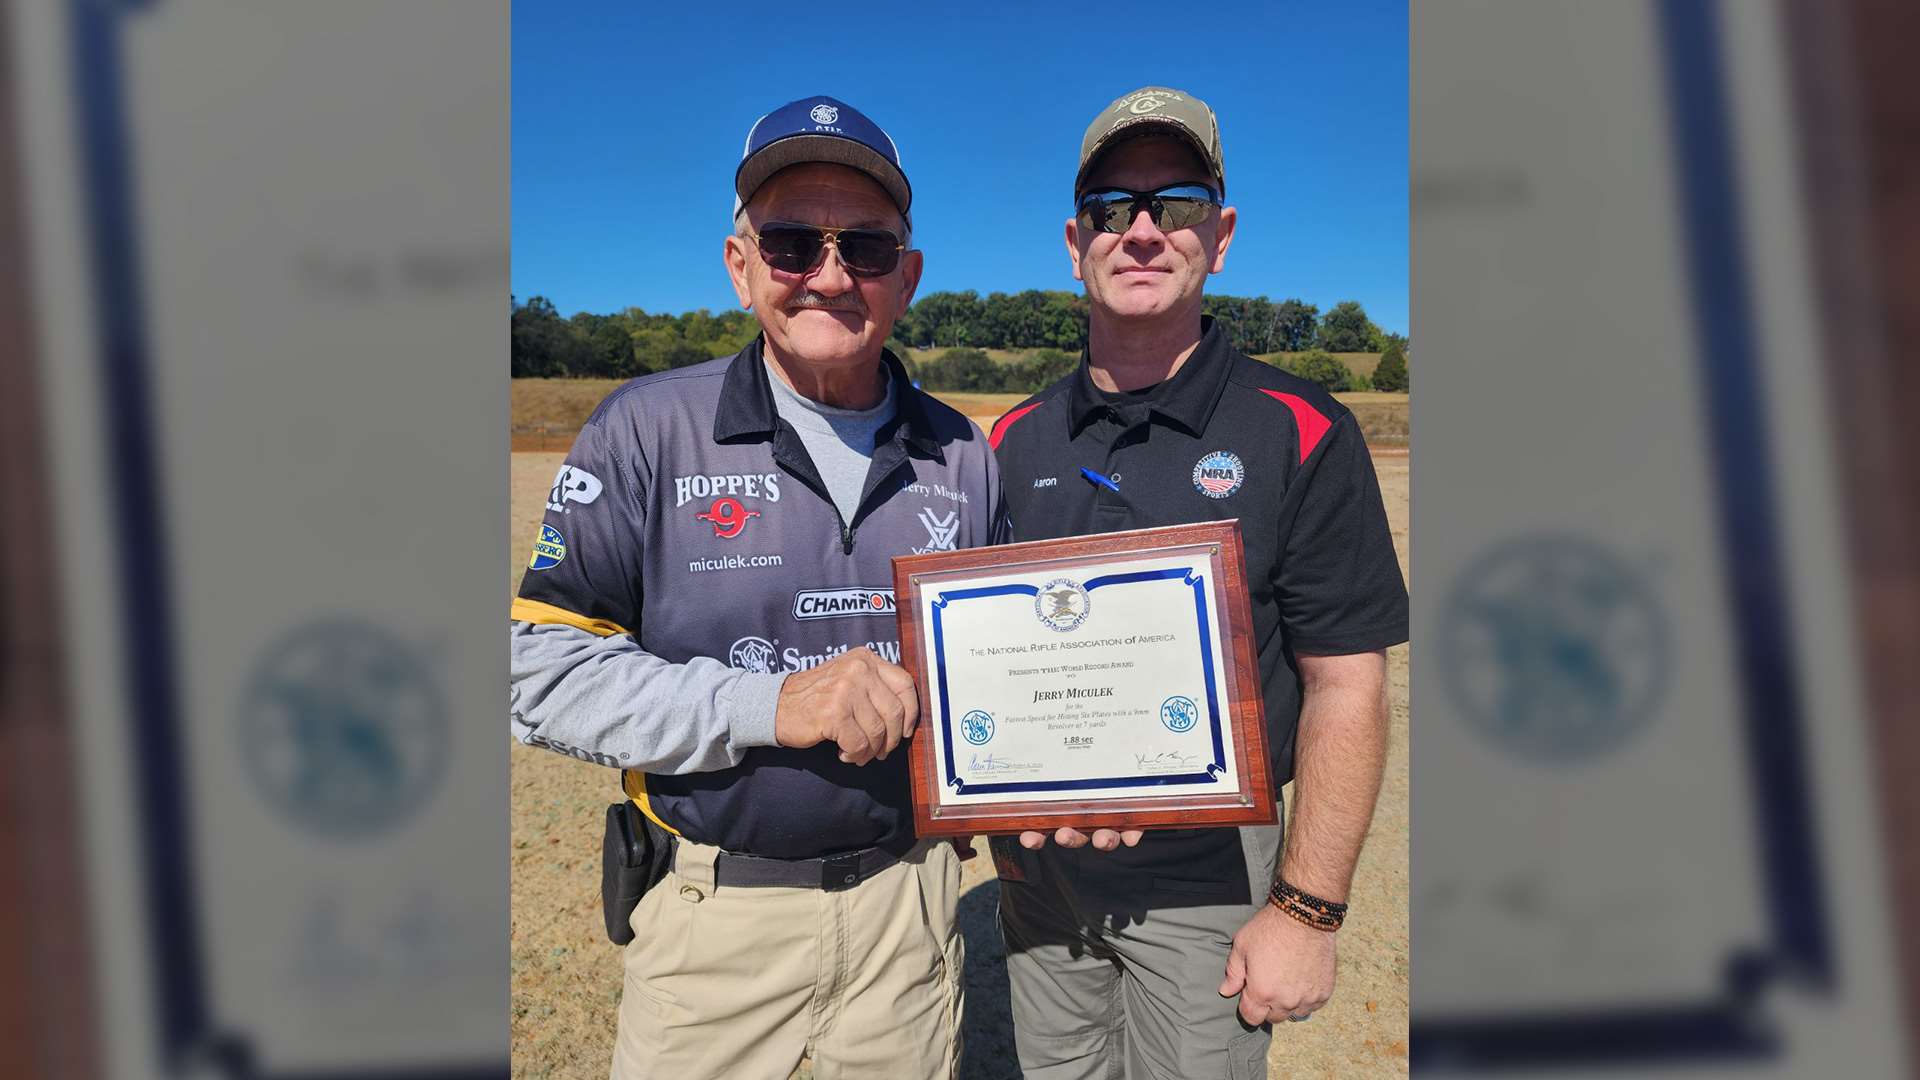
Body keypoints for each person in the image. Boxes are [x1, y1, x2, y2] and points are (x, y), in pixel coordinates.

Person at [509, 95, 1002, 1080]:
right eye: (790, 243)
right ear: (741, 268)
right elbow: (535, 672)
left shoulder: (965, 453)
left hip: (908, 918)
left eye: (864, 248)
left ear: (906, 278)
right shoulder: (646, 428)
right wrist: (771, 703)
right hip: (711, 929)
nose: (827, 275)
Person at [985, 86, 1408, 1079]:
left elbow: (1348, 681)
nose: (1140, 232)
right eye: (1110, 210)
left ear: (1219, 236)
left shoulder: (1301, 428)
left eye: (1173, 205)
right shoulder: (1010, 440)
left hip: (1206, 874)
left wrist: (1307, 909)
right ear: (1073, 240)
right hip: (1037, 874)